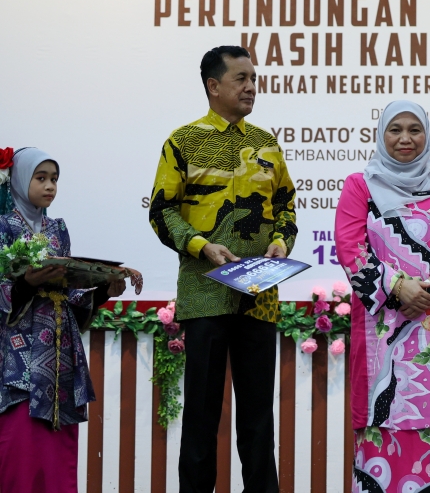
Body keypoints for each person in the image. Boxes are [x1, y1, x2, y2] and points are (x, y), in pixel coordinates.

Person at [149, 46, 297, 493]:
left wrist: (280, 240)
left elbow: (286, 207)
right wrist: (200, 245)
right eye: (241, 78)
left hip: (258, 297)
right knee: (200, 417)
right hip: (204, 294)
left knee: (257, 421)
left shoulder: (267, 143)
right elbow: (162, 211)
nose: (251, 86)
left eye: (254, 77)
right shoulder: (184, 141)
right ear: (214, 86)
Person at [334, 100, 430, 491]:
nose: (405, 138)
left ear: (427, 134)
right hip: (383, 336)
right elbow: (350, 247)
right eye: (395, 129)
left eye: (414, 129)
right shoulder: (359, 185)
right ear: (381, 135)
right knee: (384, 428)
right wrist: (397, 288)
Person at [0, 148, 135, 492]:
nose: (50, 186)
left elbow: (68, 293)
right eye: (40, 178)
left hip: (59, 355)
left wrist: (104, 287)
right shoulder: (3, 226)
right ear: (17, 179)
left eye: (54, 179)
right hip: (17, 359)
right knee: (19, 454)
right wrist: (26, 283)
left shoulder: (57, 228)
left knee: (58, 459)